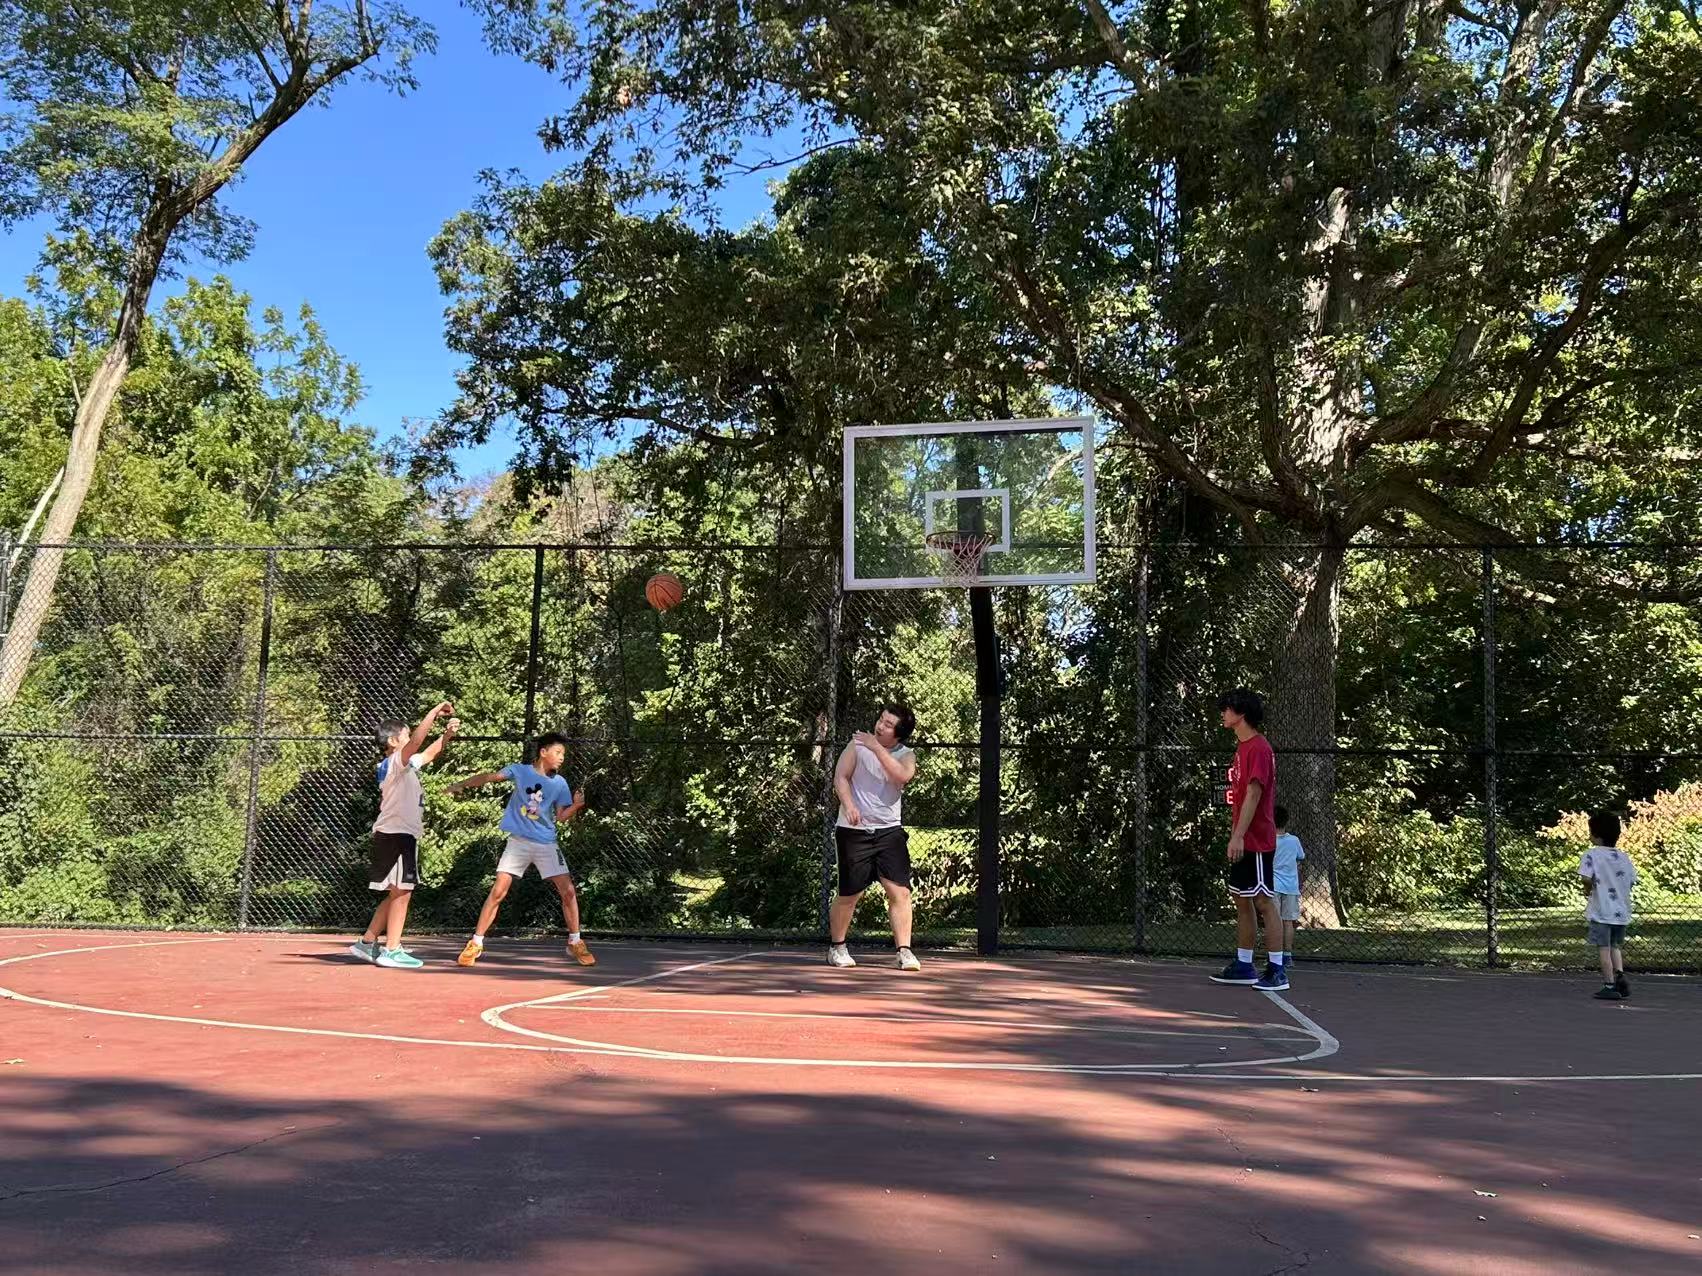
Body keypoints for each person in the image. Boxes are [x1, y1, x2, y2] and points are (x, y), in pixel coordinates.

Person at [446, 732, 596, 968]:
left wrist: (577, 806)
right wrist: (462, 784)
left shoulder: (560, 783)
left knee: (568, 892)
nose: (561, 758)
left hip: (547, 844)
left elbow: (561, 817)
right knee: (498, 891)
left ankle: (575, 941)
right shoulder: (519, 771)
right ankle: (475, 943)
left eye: (563, 754)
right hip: (518, 843)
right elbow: (490, 777)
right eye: (558, 752)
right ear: (543, 752)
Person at [349, 702, 459, 969]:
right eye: (406, 735)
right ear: (393, 741)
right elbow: (419, 742)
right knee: (403, 892)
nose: (411, 740)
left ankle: (367, 943)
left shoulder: (404, 765)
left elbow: (428, 753)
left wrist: (446, 736)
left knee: (396, 893)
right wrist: (434, 713)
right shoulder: (395, 762)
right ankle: (392, 949)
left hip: (398, 834)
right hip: (397, 834)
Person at [828, 703, 920, 972]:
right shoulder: (857, 745)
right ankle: (837, 947)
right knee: (849, 894)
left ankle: (904, 951)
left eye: (888, 724)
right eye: (881, 719)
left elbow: (902, 776)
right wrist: (849, 805)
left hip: (889, 832)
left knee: (900, 892)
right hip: (853, 832)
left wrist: (877, 748)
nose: (880, 726)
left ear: (899, 734)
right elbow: (841, 777)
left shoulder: (906, 755)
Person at [1208, 688, 1287, 991]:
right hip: (1243, 838)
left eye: (1227, 708)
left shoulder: (1259, 748)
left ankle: (1277, 970)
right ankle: (1244, 965)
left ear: (1241, 713)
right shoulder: (1241, 748)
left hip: (1257, 840)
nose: (1223, 713)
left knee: (1263, 900)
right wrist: (1235, 835)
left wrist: (1239, 836)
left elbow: (1254, 794)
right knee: (1242, 898)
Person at [1580, 810, 1636, 1001]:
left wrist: (1587, 890)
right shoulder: (1623, 857)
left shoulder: (1591, 855)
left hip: (1601, 911)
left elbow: (1586, 878)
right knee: (1615, 946)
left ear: (1596, 834)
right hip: (1621, 912)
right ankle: (1620, 977)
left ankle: (1609, 985)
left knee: (1603, 948)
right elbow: (1631, 880)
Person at [1273, 805, 1306, 964]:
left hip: (1273, 885)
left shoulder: (1268, 841)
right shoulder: (1294, 840)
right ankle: (1287, 955)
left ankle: (1275, 955)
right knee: (1288, 922)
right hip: (1291, 886)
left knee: (1274, 921)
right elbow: (1301, 856)